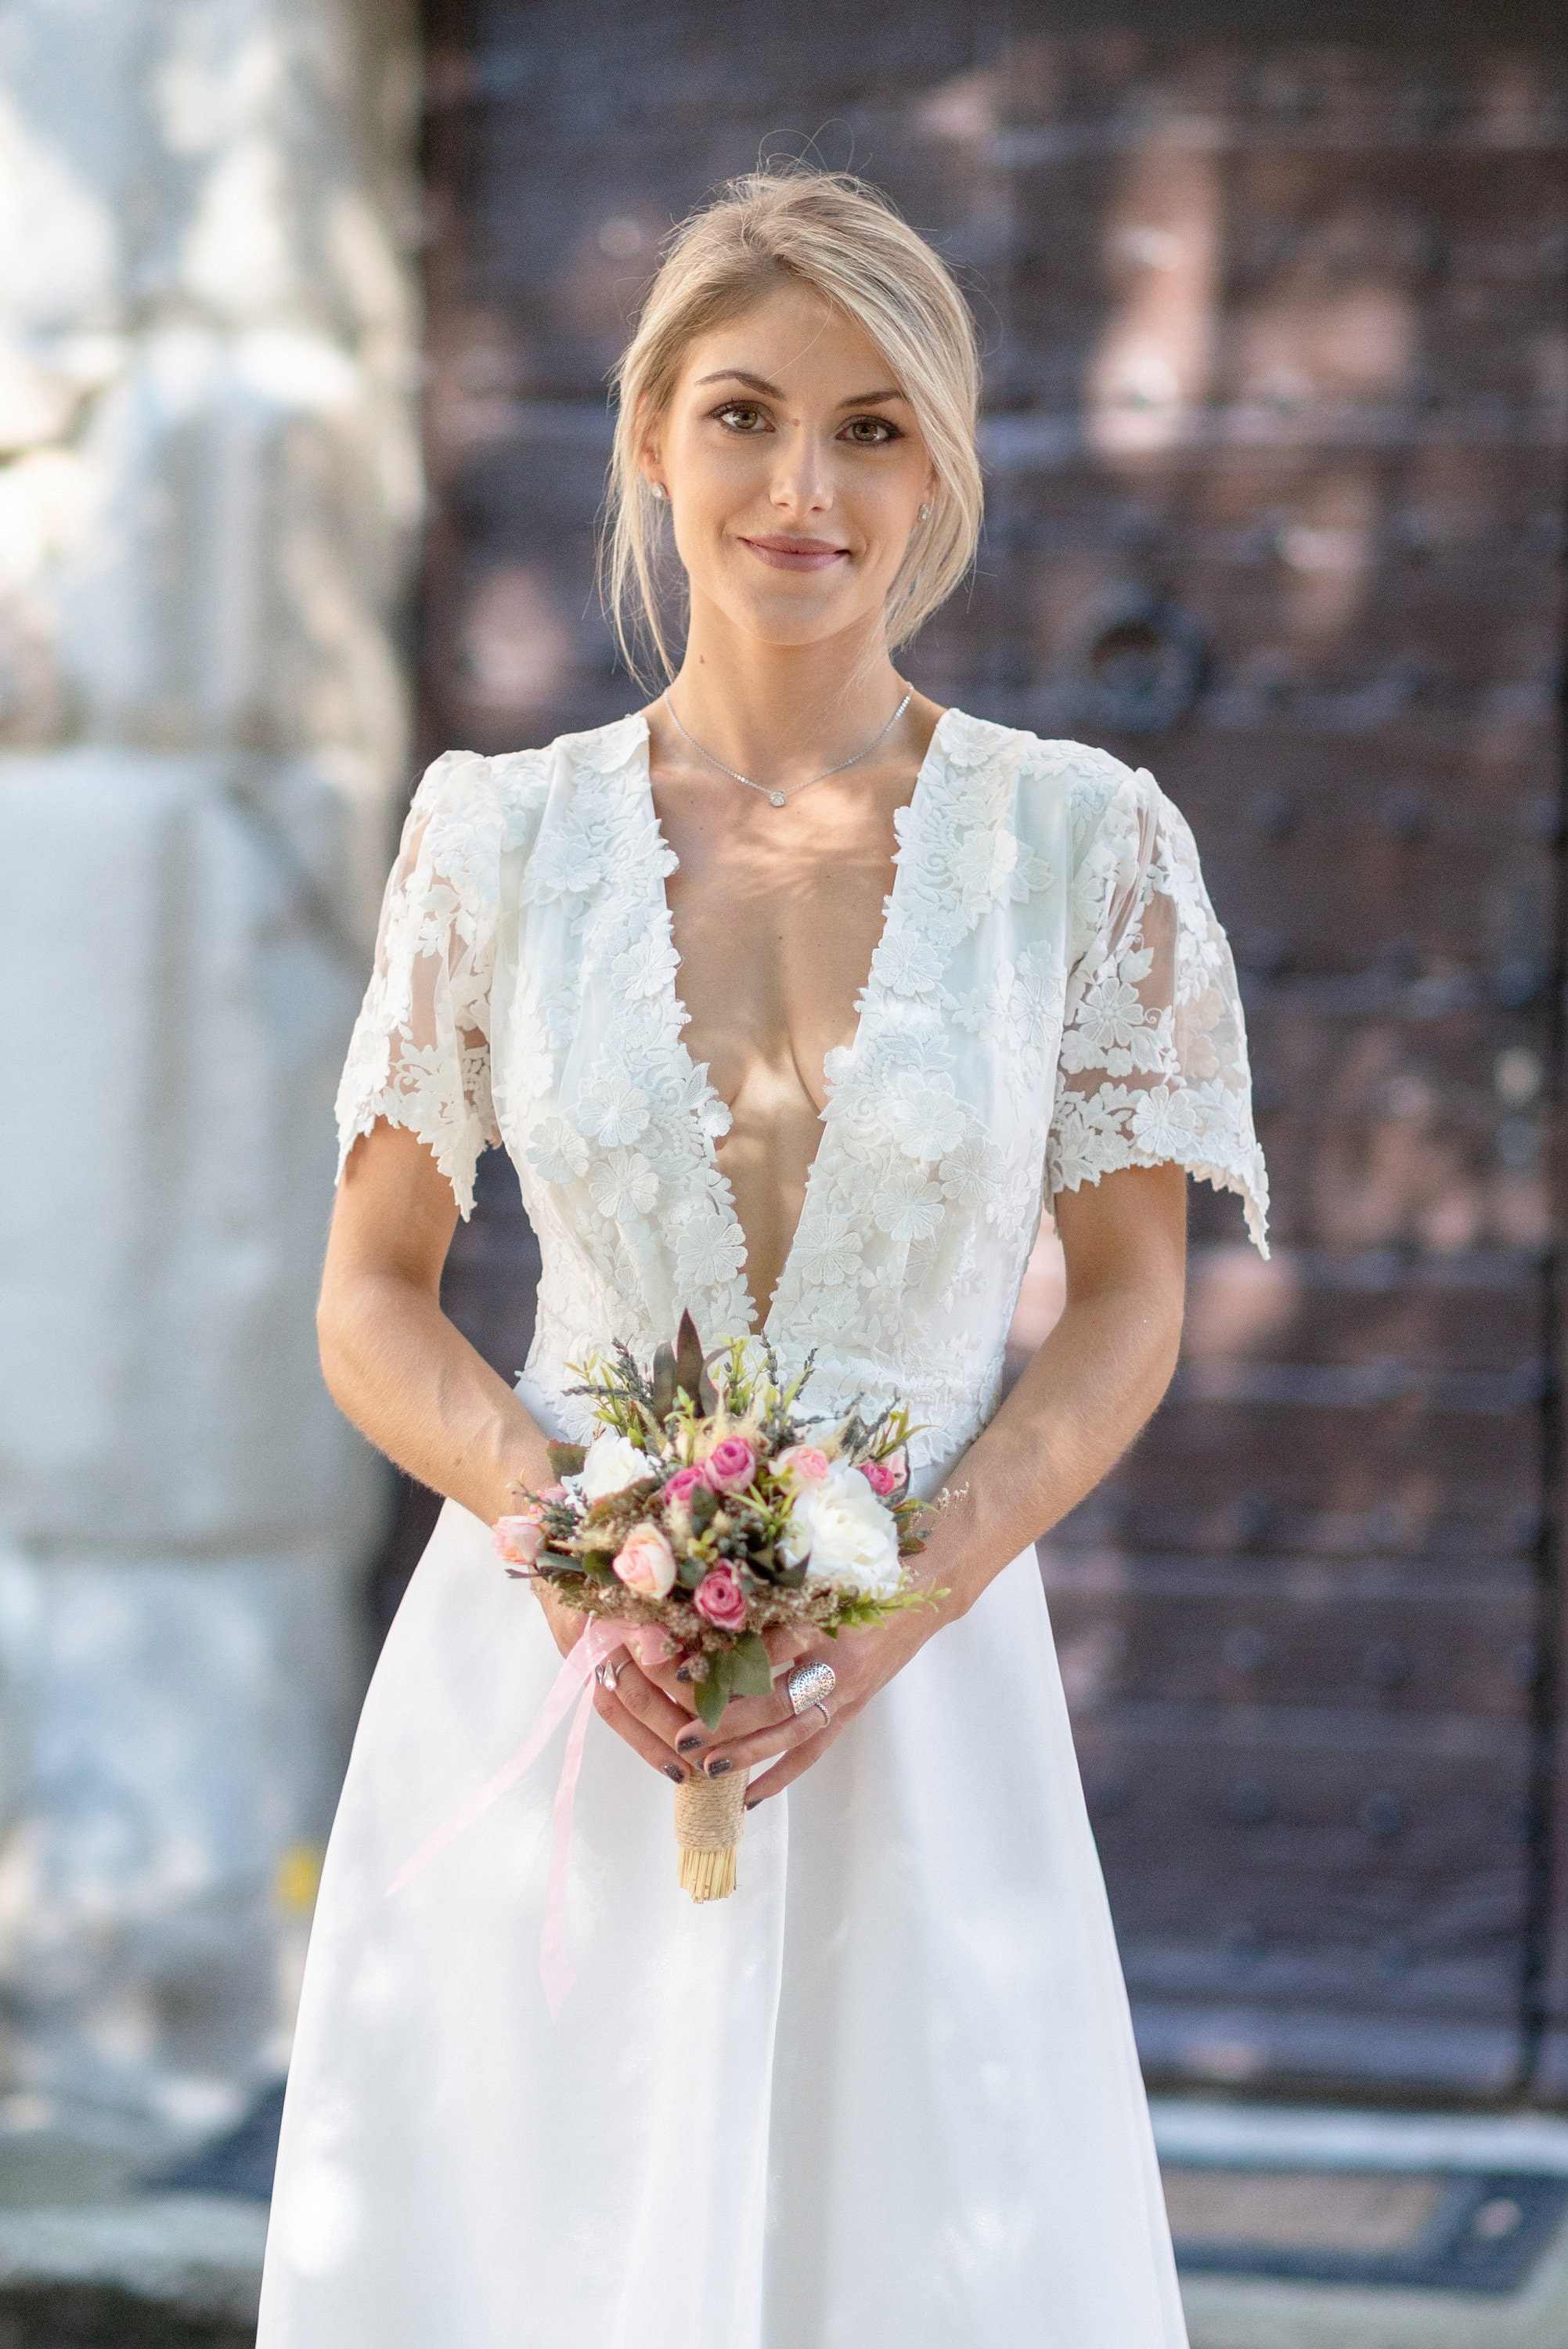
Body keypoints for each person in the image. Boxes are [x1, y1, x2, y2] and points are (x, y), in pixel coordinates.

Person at [258, 168, 1267, 2349]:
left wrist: (917, 1589)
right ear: (651, 438)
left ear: (939, 474)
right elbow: (369, 1292)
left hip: (918, 1700)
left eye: (871, 429)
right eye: (744, 415)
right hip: (550, 1703)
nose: (803, 486)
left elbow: (1126, 1306)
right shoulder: (493, 836)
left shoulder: (1082, 845)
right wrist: (561, 1545)